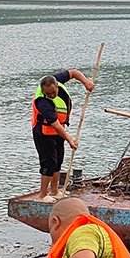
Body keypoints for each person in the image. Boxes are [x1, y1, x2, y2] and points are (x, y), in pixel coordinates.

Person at [31, 70, 94, 202]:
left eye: (54, 92)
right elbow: (56, 125)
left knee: (58, 160)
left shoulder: (55, 80)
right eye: (49, 93)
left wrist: (86, 82)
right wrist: (70, 140)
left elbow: (73, 73)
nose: (52, 95)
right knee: (49, 162)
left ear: (56, 85)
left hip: (58, 132)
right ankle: (42, 195)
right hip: (44, 133)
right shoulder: (42, 102)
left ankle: (55, 191)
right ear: (43, 91)